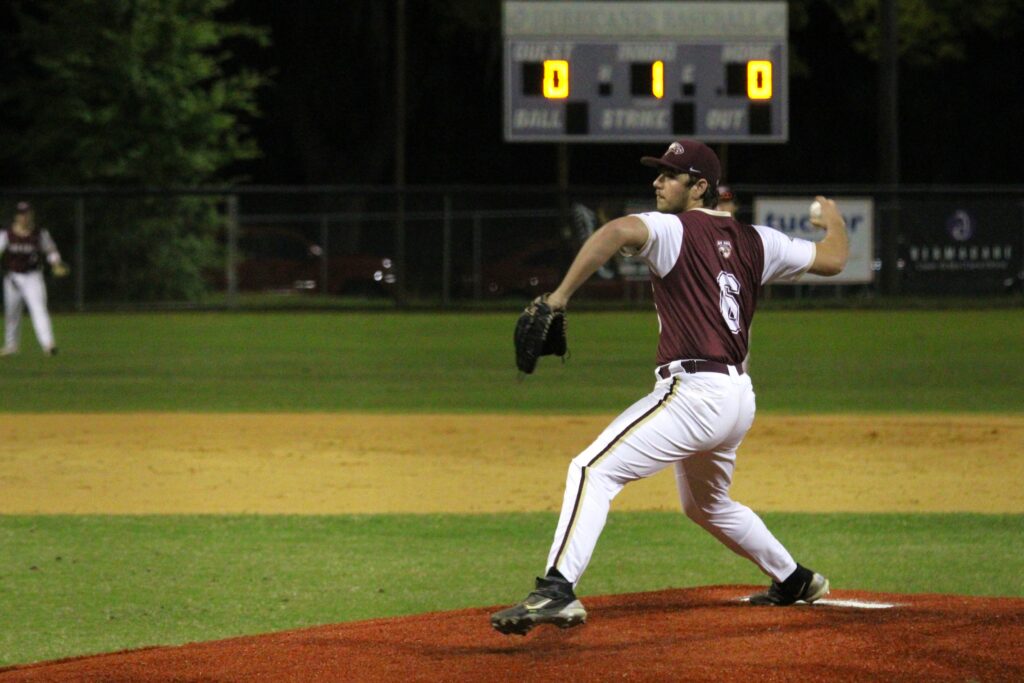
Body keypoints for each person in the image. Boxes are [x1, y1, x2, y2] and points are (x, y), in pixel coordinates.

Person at [490, 139, 849, 635]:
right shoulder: (757, 240)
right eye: (658, 173)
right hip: (737, 398)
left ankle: (556, 590)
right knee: (706, 504)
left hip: (695, 393)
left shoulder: (671, 228)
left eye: (671, 175)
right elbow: (834, 260)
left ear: (700, 187)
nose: (658, 182)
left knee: (592, 469)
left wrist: (558, 297)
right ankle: (793, 579)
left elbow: (615, 231)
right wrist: (835, 220)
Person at [1, 201, 69, 356]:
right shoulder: (6, 234)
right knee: (12, 313)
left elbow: (51, 251)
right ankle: (11, 346)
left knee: (39, 309)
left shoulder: (39, 233)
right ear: (16, 216)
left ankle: (48, 344)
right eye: (21, 214)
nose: (24, 217)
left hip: (33, 277)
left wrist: (56, 263)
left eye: (27, 213)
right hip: (13, 278)